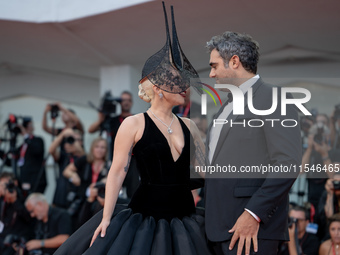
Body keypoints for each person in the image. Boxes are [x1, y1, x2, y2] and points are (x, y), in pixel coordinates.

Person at [54, 3, 208, 254]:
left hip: (186, 218)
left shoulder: (190, 125)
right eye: (177, 82)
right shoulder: (133, 124)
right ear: (158, 88)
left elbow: (207, 171)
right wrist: (106, 219)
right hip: (144, 220)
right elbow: (117, 172)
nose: (184, 87)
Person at [204, 31, 302, 255]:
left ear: (235, 61)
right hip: (216, 229)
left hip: (251, 230)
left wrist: (253, 213)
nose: (211, 74)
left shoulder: (273, 98)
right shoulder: (224, 108)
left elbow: (288, 163)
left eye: (215, 66)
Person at [88, 91, 139, 199]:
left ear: (132, 103)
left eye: (129, 100)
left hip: (133, 160)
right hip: (116, 160)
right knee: (113, 194)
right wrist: (101, 118)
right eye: (123, 100)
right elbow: (91, 130)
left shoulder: (137, 119)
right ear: (119, 102)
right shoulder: (112, 120)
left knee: (133, 193)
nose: (126, 103)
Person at [0, 172, 33, 255]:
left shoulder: (24, 196)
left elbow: (29, 217)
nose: (3, 188)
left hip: (17, 241)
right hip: (3, 239)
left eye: (5, 185)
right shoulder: (2, 200)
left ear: (14, 183)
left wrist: (14, 201)